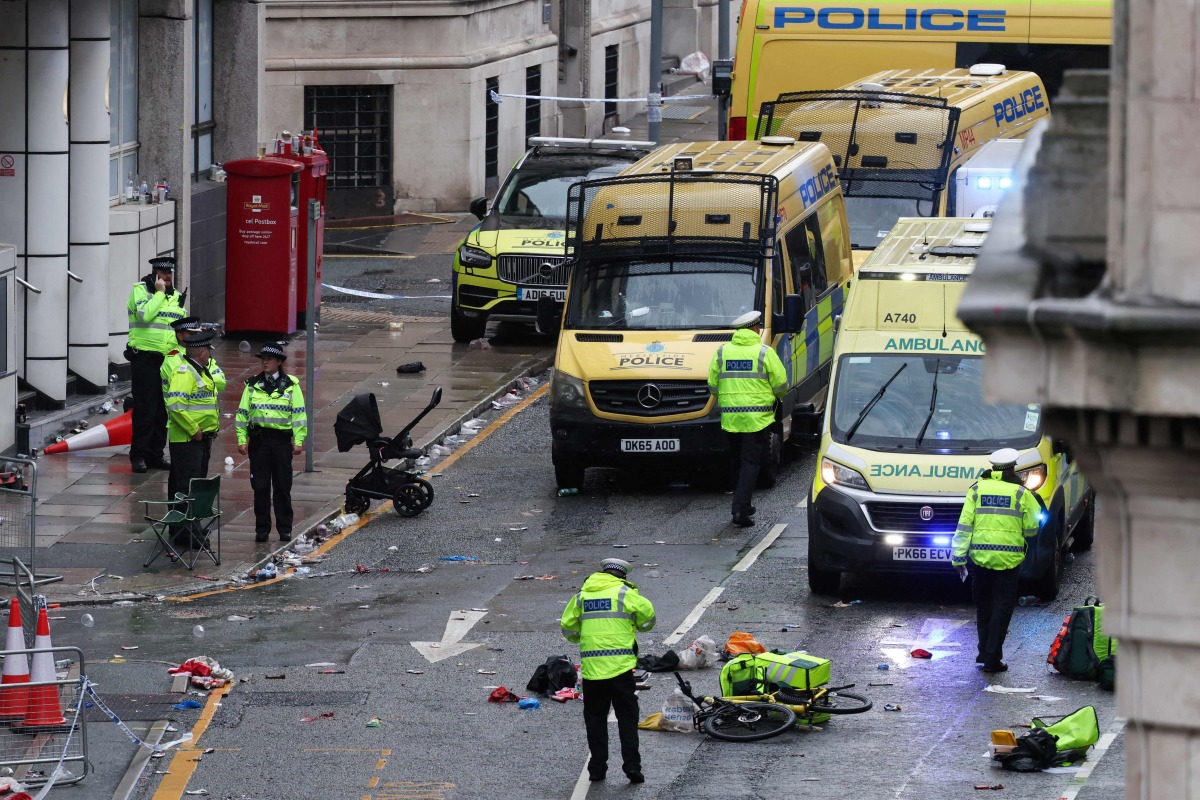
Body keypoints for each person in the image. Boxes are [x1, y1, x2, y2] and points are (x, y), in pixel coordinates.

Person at [561, 558, 656, 785]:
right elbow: (648, 620)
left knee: (595, 720)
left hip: (593, 671)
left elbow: (568, 628)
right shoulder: (625, 593)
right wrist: (632, 625)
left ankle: (597, 769)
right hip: (621, 670)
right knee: (627, 719)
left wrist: (583, 637)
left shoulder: (582, 596)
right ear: (622, 576)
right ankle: (632, 767)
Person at [950, 448, 1042, 673]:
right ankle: (992, 657)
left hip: (980, 560)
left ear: (993, 468)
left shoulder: (976, 489)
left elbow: (964, 527)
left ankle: (984, 651)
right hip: (1009, 561)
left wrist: (958, 558)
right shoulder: (1022, 493)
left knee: (984, 605)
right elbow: (1032, 528)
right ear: (1013, 468)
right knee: (1002, 608)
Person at [707, 310, 787, 527]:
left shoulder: (722, 353)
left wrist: (728, 399)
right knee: (751, 463)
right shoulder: (764, 352)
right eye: (759, 326)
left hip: (730, 419)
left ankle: (741, 503)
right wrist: (775, 397)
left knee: (736, 461)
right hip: (756, 418)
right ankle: (740, 510)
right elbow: (781, 383)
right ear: (755, 328)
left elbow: (713, 385)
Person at [235, 343, 308, 543]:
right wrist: (242, 439)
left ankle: (285, 528)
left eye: (269, 358)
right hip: (259, 441)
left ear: (279, 362)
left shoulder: (291, 385)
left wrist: (299, 440)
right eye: (263, 358)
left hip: (281, 442)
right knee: (260, 487)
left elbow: (299, 414)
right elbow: (242, 413)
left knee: (283, 486)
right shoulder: (251, 385)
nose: (265, 362)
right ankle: (262, 529)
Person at [125, 256, 187, 473]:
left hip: (168, 361)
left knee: (163, 411)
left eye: (169, 273)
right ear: (154, 273)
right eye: (162, 273)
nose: (167, 277)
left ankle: (156, 454)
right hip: (145, 359)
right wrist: (159, 293)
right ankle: (139, 455)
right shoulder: (141, 291)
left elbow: (179, 332)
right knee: (145, 409)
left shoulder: (178, 297)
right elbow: (144, 315)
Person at [164, 329, 225, 504]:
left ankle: (188, 527)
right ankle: (187, 529)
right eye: (209, 351)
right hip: (188, 440)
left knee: (191, 485)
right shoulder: (185, 373)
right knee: (187, 487)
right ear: (201, 352)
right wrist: (193, 429)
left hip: (199, 439)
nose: (210, 355)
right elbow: (175, 405)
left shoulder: (200, 371)